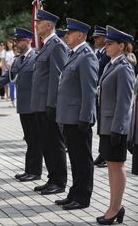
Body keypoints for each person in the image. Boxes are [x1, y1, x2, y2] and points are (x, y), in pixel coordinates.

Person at [0, 28, 42, 182]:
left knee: (36, 139)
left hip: (35, 105)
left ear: (28, 41)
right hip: (23, 106)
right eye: (16, 41)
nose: (17, 44)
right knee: (29, 139)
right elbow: (7, 77)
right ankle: (29, 170)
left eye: (20, 41)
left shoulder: (37, 57)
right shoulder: (18, 59)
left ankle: (35, 172)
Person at [55, 18, 99, 210]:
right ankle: (75, 192)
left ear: (79, 35)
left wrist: (86, 117)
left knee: (82, 159)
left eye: (69, 33)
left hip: (79, 117)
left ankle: (83, 197)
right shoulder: (74, 53)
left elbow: (89, 90)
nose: (66, 36)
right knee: (75, 157)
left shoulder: (86, 55)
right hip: (69, 116)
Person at [97, 26, 134, 225]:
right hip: (107, 126)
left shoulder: (124, 67)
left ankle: (116, 208)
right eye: (107, 43)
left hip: (115, 127)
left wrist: (119, 128)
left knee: (117, 167)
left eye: (110, 44)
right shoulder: (112, 64)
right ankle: (114, 207)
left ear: (121, 46)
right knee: (111, 166)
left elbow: (125, 102)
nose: (106, 46)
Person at [31, 9, 68, 195]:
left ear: (48, 25)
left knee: (55, 143)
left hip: (49, 105)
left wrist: (53, 104)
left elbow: (57, 78)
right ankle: (52, 178)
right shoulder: (46, 45)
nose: (36, 25)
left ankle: (59, 181)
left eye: (39, 22)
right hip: (40, 104)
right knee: (46, 143)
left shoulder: (57, 45)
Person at [92, 26, 111, 168]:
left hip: (104, 93)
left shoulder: (107, 54)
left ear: (104, 38)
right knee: (100, 124)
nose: (95, 39)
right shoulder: (96, 53)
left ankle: (104, 154)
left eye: (98, 37)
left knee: (104, 125)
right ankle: (102, 153)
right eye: (94, 37)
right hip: (97, 93)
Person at [3, 40, 16, 107]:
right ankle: (12, 101)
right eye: (8, 43)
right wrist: (4, 70)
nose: (9, 44)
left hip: (16, 69)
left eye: (10, 43)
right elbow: (4, 62)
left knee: (18, 86)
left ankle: (18, 100)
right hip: (9, 70)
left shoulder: (16, 51)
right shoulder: (5, 52)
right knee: (11, 86)